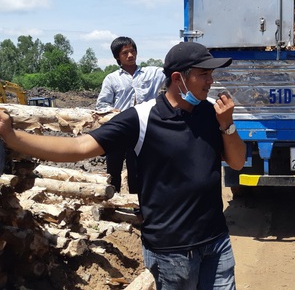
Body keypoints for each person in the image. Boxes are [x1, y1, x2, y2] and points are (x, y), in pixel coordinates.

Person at [0, 41, 247, 289]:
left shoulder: (212, 113)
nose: (211, 81)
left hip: (217, 242)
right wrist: (14, 138)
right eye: (203, 74)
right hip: (172, 250)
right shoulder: (141, 118)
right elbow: (80, 147)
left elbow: (236, 162)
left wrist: (227, 124)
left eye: (211, 74)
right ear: (177, 78)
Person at [96, 37, 166, 193]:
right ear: (117, 57)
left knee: (139, 172)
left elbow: (170, 70)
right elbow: (101, 105)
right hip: (118, 131)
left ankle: (138, 208)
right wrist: (114, 112)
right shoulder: (112, 79)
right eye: (125, 53)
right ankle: (112, 206)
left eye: (132, 51)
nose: (130, 55)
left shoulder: (152, 73)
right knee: (113, 171)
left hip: (142, 132)